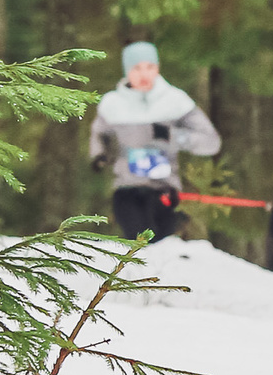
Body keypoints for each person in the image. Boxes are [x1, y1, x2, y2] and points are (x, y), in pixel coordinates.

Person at [88, 42, 222, 241]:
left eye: (150, 68)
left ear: (158, 69)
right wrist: (99, 155)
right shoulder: (112, 104)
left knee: (162, 247)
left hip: (164, 192)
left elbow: (211, 142)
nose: (144, 75)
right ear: (126, 71)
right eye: (137, 68)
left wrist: (173, 136)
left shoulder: (176, 101)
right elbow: (98, 133)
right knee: (138, 245)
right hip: (126, 190)